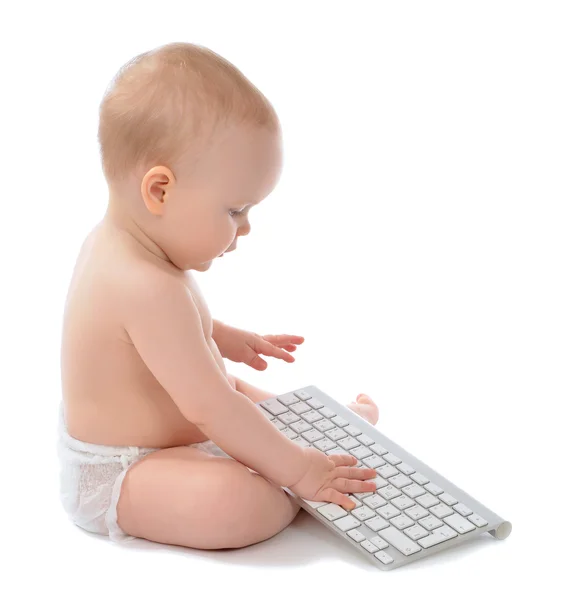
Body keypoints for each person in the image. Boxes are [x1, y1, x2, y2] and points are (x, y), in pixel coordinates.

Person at [58, 42, 381, 550]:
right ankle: (303, 473)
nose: (246, 228)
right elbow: (210, 408)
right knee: (234, 499)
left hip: (187, 416)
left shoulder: (129, 246)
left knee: (248, 400)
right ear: (160, 191)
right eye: (235, 211)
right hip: (129, 467)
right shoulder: (142, 284)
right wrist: (299, 475)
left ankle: (325, 433)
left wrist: (222, 336)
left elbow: (159, 340)